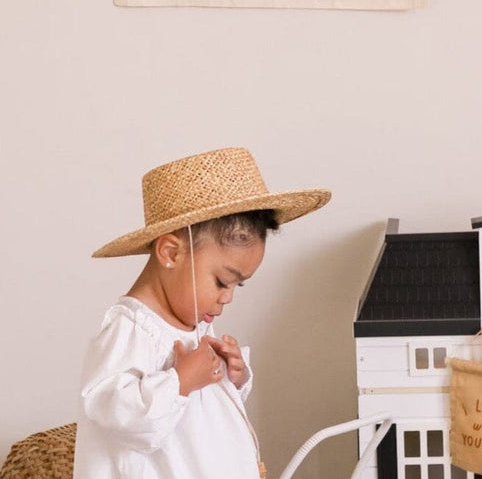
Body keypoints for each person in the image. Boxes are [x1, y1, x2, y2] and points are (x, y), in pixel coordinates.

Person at [73, 147, 331, 479]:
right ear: (170, 253)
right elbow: (113, 412)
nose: (228, 298)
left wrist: (230, 377)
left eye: (239, 286)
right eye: (223, 281)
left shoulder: (188, 326)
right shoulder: (131, 329)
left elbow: (201, 421)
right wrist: (179, 381)